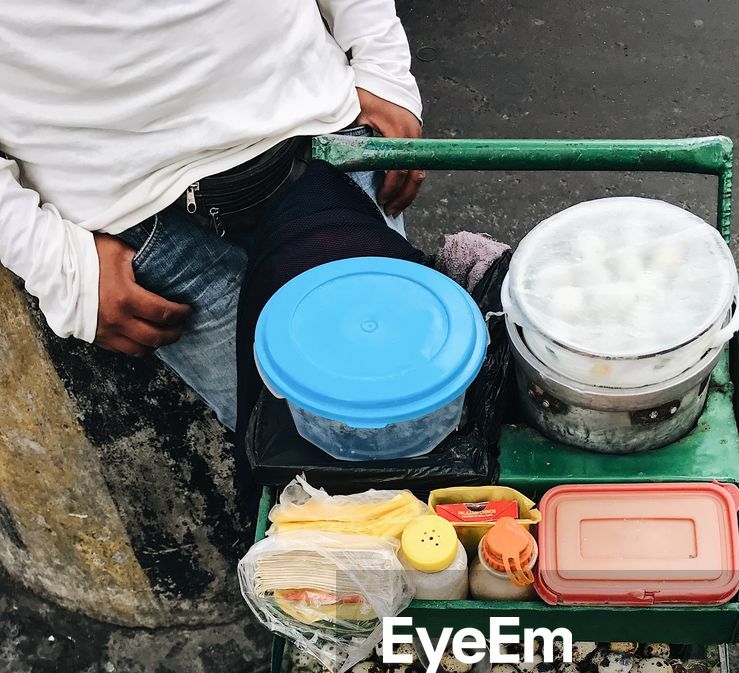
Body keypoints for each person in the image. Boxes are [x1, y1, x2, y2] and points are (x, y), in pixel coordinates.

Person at [0, 0, 424, 427]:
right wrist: (50, 259)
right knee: (295, 446)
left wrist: (381, 62)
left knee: (409, 394)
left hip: (314, 131)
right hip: (138, 225)